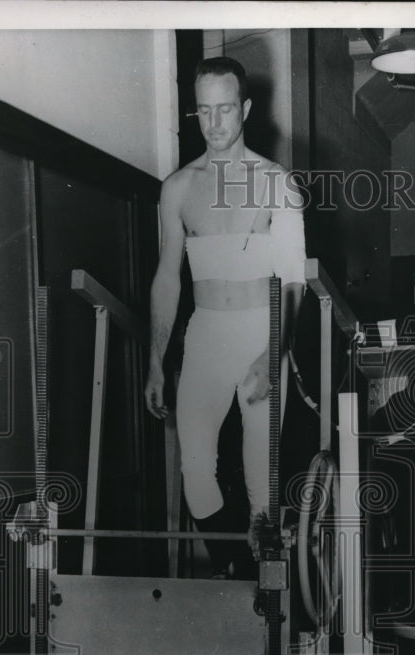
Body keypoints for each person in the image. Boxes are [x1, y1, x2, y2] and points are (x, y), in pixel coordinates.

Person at [144, 56, 305, 576]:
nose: (215, 124)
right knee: (196, 471)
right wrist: (154, 360)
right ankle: (240, 573)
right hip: (207, 333)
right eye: (204, 112)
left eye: (226, 110)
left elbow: (295, 282)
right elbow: (168, 278)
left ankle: (266, 588)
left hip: (263, 327)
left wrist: (273, 351)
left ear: (246, 109)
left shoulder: (276, 181)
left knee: (262, 483)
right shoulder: (178, 189)